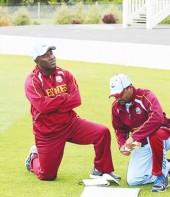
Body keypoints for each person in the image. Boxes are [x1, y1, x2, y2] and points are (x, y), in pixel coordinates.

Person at [24, 43, 120, 181]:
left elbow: (76, 100)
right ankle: (34, 157)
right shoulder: (32, 81)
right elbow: (42, 106)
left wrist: (54, 103)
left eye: (51, 53)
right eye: (46, 55)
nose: (51, 57)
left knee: (102, 132)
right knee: (47, 176)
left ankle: (101, 170)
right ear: (37, 60)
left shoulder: (65, 74)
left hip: (71, 124)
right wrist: (63, 97)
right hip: (48, 133)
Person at [108, 74, 170, 192]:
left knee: (155, 135)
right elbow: (119, 129)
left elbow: (157, 118)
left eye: (120, 94)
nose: (117, 98)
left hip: (165, 135)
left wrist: (134, 137)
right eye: (115, 95)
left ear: (129, 88)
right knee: (134, 180)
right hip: (141, 143)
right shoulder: (116, 107)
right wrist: (123, 144)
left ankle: (161, 177)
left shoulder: (145, 96)